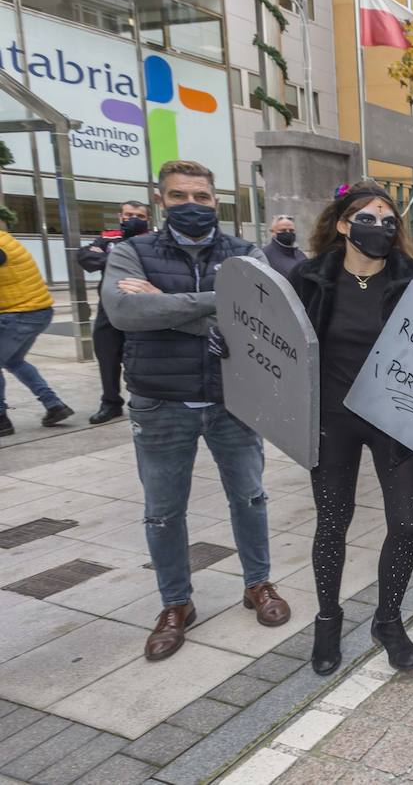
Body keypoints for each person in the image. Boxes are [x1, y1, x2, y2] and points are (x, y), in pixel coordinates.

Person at [290, 183, 413, 673]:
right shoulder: (310, 278)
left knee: (404, 524)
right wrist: (230, 343)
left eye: (387, 220)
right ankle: (328, 620)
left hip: (397, 421)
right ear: (342, 224)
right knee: (332, 524)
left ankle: (388, 618)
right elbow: (275, 336)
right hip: (332, 421)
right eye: (366, 218)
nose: (378, 228)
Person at [101, 160, 289, 660]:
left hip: (234, 401)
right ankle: (176, 604)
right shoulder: (131, 251)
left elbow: (262, 317)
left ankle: (258, 584)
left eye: (201, 196)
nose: (191, 205)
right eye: (179, 195)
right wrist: (216, 304)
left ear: (216, 200)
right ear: (161, 200)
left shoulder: (244, 253)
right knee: (163, 513)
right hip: (160, 403)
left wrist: (167, 305)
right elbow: (124, 312)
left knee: (249, 497)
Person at [0, 208, 74, 437]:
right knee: (14, 361)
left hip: (20, 313)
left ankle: (1, 420)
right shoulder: (5, 239)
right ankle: (54, 406)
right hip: (35, 310)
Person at [77, 200, 150, 424]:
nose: (133, 219)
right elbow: (86, 257)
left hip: (142, 309)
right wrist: (119, 260)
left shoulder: (153, 241)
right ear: (120, 217)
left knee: (142, 358)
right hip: (109, 308)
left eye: (139, 215)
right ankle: (110, 402)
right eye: (128, 215)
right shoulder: (108, 238)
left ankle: (144, 400)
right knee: (107, 357)